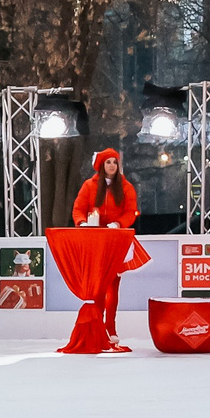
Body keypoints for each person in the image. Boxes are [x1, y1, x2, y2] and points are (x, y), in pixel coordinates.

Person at [70, 147, 139, 350]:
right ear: (101, 165)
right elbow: (78, 209)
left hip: (116, 240)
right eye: (108, 162)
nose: (112, 165)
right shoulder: (89, 185)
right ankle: (97, 324)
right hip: (94, 241)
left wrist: (118, 224)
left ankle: (111, 326)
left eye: (115, 162)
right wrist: (82, 223)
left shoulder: (126, 187)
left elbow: (130, 211)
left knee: (113, 284)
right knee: (97, 285)